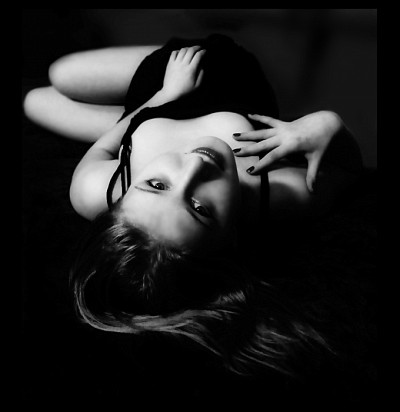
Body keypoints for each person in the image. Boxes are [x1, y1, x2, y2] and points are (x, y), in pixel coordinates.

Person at [23, 34, 364, 380]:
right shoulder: (273, 195)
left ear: (121, 200)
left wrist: (162, 97)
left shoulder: (94, 191)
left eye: (157, 185)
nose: (194, 167)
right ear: (230, 237)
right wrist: (328, 125)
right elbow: (347, 171)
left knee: (44, 92)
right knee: (43, 94)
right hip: (217, 69)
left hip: (165, 81)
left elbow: (100, 152)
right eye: (201, 208)